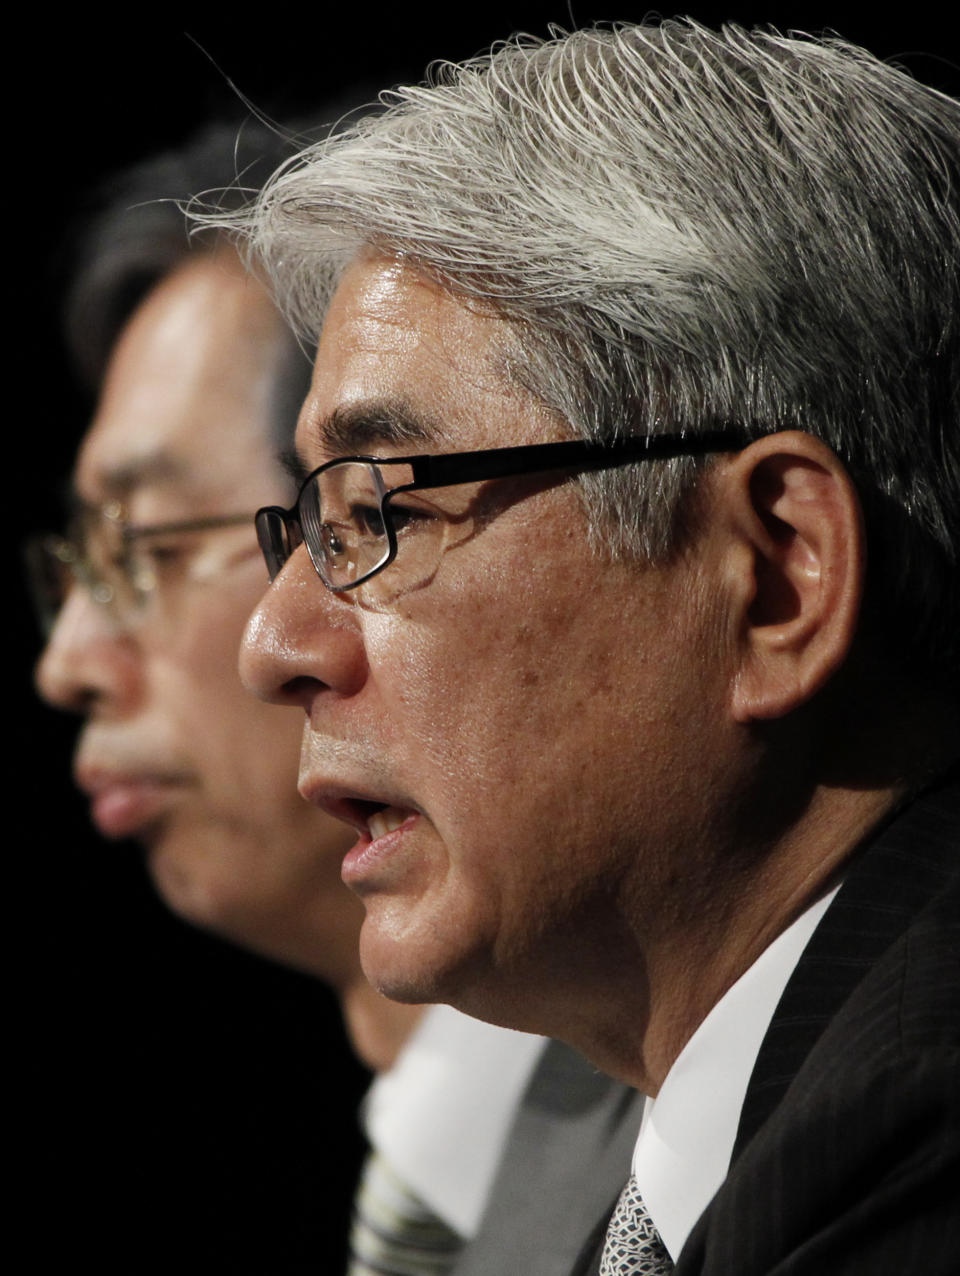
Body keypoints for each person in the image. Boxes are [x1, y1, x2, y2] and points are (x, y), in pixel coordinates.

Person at [223, 19, 960, 1274]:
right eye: (307, 526)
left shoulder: (910, 1150)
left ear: (778, 574)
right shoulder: (761, 1152)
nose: (275, 643)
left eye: (379, 514)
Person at [32, 118, 643, 1274]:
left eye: (144, 551)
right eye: (81, 563)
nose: (68, 659)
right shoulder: (436, 1176)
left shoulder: (721, 1155)